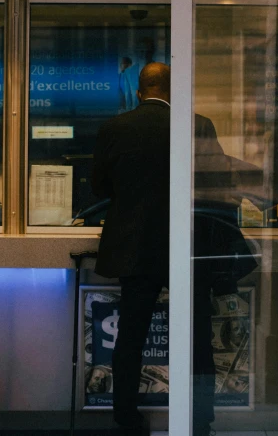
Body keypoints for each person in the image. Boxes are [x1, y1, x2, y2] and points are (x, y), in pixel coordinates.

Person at [92, 62, 221, 436]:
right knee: (198, 338)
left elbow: (99, 188)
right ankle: (200, 420)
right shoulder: (198, 125)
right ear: (174, 90)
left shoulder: (115, 128)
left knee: (131, 337)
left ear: (139, 92)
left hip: (136, 248)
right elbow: (214, 184)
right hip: (188, 246)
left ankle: (127, 419)